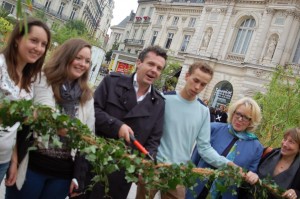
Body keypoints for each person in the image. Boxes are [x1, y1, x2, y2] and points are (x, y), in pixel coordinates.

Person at [5, 38, 95, 199]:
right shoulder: (43, 79)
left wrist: (78, 177)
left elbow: (88, 137)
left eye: (87, 61)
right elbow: (46, 110)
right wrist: (69, 129)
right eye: (78, 58)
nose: (83, 64)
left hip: (62, 175)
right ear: (66, 56)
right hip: (32, 166)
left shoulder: (87, 96)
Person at [136, 62, 236, 199]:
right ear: (187, 76)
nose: (197, 87)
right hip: (153, 166)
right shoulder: (164, 99)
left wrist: (227, 163)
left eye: (203, 84)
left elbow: (204, 148)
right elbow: (144, 130)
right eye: (195, 80)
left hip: (178, 172)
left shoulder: (203, 111)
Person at [88, 45, 167, 199]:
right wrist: (117, 126)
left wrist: (147, 162)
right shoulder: (111, 82)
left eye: (159, 68)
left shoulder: (159, 103)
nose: (154, 70)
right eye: (151, 64)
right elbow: (92, 112)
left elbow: (154, 140)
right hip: (94, 163)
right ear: (139, 63)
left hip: (122, 175)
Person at [0, 18, 51, 185]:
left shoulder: (29, 81)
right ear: (17, 39)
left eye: (43, 44)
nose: (38, 48)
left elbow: (14, 127)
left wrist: (13, 160)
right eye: (34, 41)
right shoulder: (1, 66)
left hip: (3, 159)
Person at [186, 97, 264, 199]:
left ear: (251, 121)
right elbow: (195, 158)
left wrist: (253, 177)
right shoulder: (213, 129)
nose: (240, 119)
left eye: (245, 117)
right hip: (196, 189)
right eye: (238, 114)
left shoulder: (256, 147)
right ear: (233, 113)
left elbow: (248, 178)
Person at [242, 127, 300, 199]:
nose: (285, 144)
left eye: (291, 142)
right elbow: (250, 168)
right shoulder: (269, 153)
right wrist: (252, 174)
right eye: (285, 139)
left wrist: (295, 193)